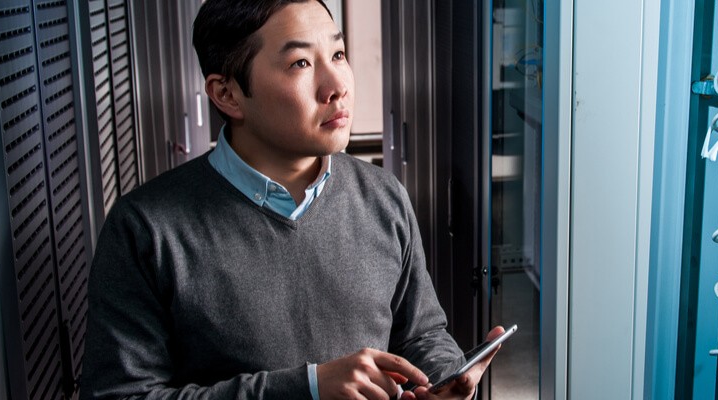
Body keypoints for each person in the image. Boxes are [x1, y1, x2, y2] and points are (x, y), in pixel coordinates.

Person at [80, 0, 503, 398]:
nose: (337, 86)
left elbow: (420, 334)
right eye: (300, 63)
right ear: (227, 94)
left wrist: (446, 375)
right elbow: (123, 393)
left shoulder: (382, 194)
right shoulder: (144, 228)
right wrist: (309, 388)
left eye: (338, 55)